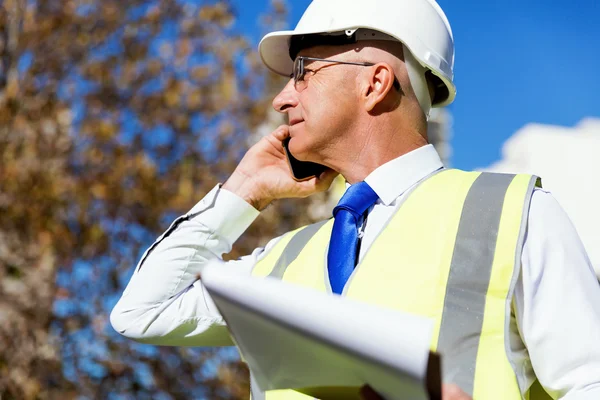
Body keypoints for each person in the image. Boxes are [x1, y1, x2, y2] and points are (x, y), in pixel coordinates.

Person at [111, 0, 600, 399]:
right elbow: (139, 314)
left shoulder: (514, 215)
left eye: (302, 71)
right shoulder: (284, 258)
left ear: (375, 81)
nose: (281, 99)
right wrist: (244, 192)